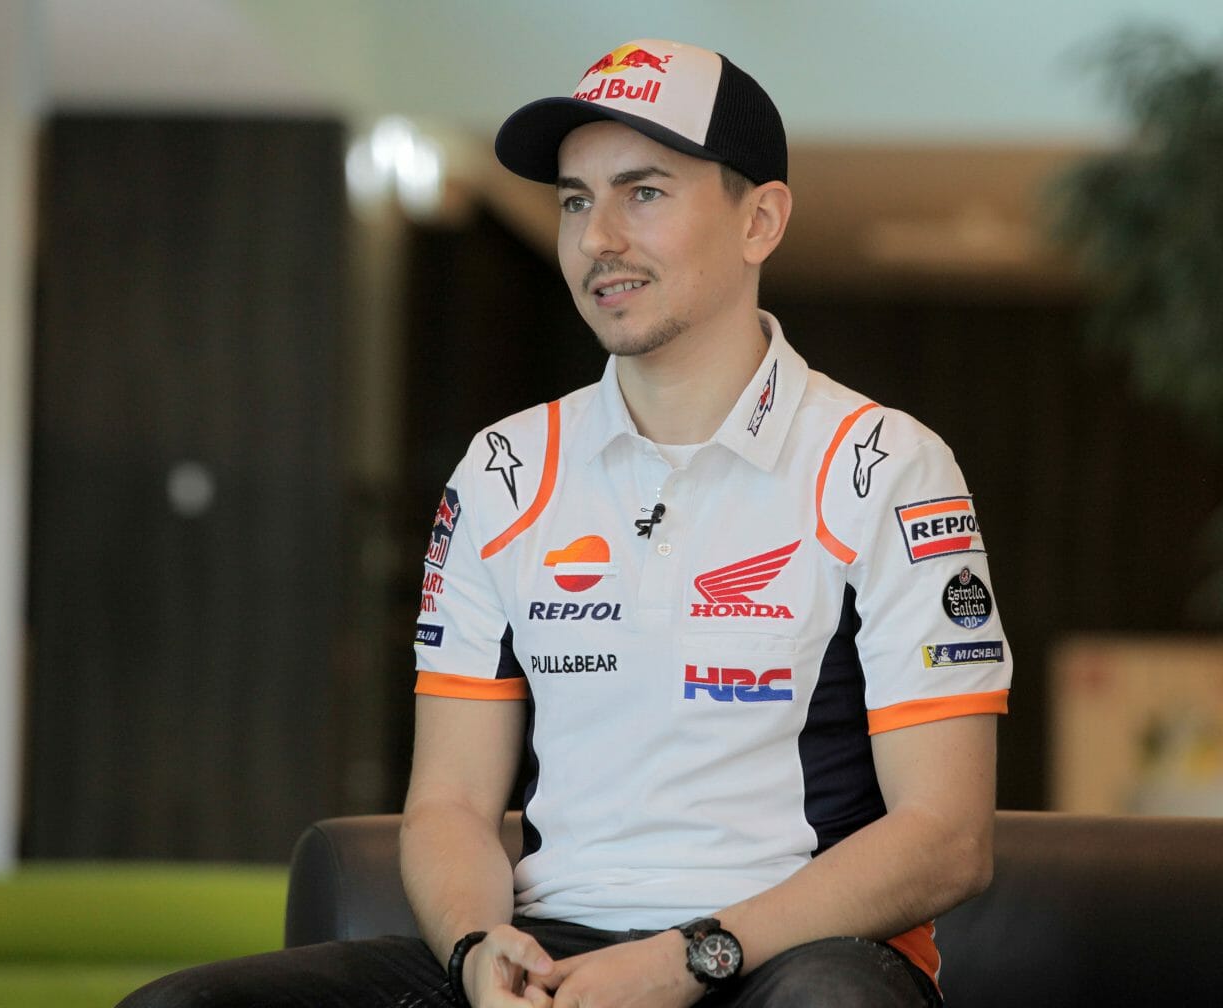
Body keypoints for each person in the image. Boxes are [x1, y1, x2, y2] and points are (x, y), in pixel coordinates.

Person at [120, 37, 1010, 1008]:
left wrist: (687, 957)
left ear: (759, 220)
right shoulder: (503, 471)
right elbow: (451, 802)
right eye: (575, 202)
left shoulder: (885, 464)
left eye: (644, 193)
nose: (597, 240)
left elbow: (947, 836)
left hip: (788, 957)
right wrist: (476, 950)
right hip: (556, 950)